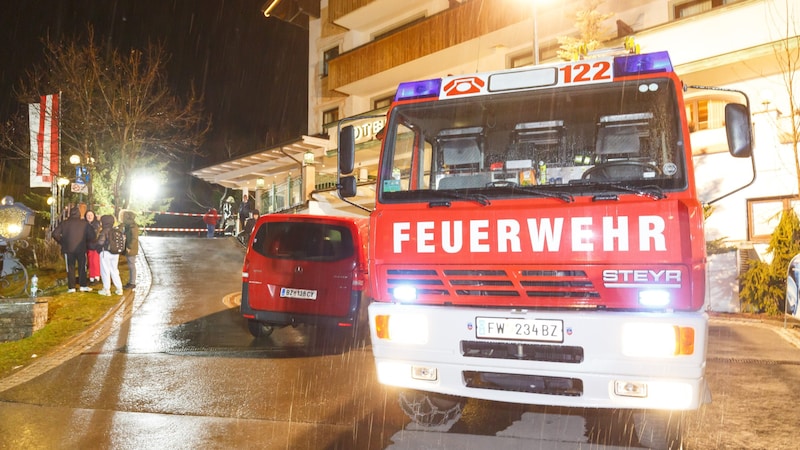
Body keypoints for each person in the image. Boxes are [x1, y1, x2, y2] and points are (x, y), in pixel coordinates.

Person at [52, 204, 95, 293]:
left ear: (70, 214)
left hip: (68, 249)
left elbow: (55, 234)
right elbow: (92, 236)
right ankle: (83, 285)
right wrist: (85, 241)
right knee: (82, 267)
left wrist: (62, 242)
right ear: (79, 214)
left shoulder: (64, 223)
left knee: (70, 268)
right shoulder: (84, 224)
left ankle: (71, 287)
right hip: (81, 248)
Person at [95, 214, 124, 296]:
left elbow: (100, 242)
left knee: (105, 271)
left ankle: (106, 289)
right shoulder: (116, 230)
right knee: (114, 270)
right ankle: (119, 288)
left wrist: (98, 249)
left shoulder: (104, 231)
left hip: (105, 252)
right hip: (115, 253)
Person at [119, 209, 140, 290]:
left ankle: (132, 283)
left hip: (131, 249)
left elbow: (134, 238)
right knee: (131, 265)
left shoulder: (133, 226)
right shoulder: (129, 226)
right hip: (130, 248)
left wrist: (129, 247)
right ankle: (131, 282)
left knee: (132, 265)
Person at [84, 210, 101, 283]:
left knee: (95, 261)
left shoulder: (96, 224)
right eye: (88, 215)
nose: (89, 216)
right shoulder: (85, 224)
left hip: (95, 246)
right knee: (90, 262)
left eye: (91, 215)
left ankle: (96, 277)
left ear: (94, 216)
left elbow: (95, 236)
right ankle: (91, 276)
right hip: (88, 246)